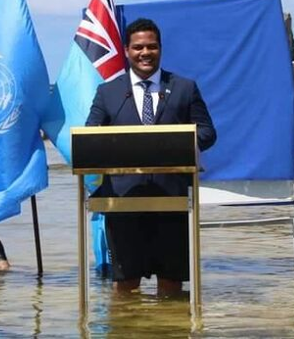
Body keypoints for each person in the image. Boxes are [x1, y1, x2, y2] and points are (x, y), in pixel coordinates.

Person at [86, 17, 216, 294]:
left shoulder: (184, 88)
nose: (145, 53)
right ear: (127, 51)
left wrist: (174, 145)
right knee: (125, 285)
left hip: (172, 198)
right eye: (138, 47)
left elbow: (207, 132)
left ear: (160, 49)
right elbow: (90, 135)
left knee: (171, 285)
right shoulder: (108, 92)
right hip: (122, 200)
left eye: (152, 47)